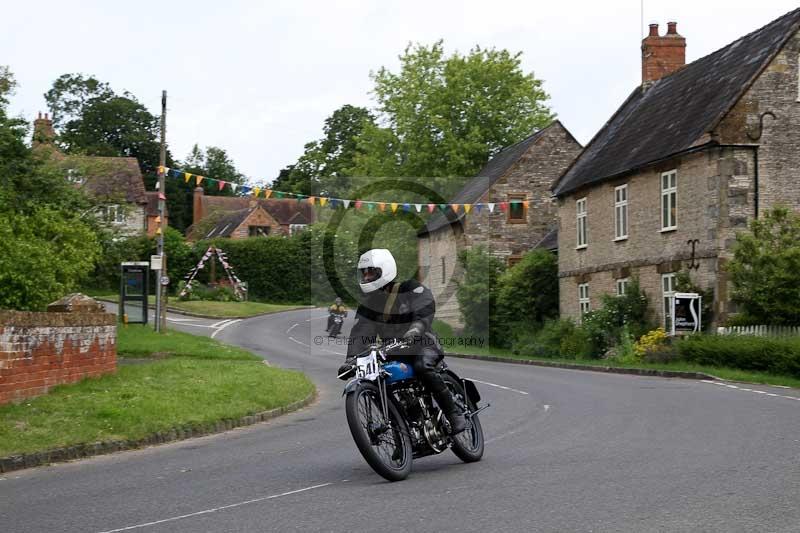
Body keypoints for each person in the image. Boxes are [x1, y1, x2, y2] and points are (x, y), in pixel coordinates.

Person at [338, 249, 467, 434]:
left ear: (385, 269)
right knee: (377, 380)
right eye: (364, 272)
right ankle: (402, 433)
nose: (366, 276)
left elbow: (425, 307)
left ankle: (454, 414)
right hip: (393, 350)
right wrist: (351, 360)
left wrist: (415, 329)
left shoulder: (409, 288)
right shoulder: (369, 305)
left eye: (371, 271)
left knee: (423, 367)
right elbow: (360, 332)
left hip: (423, 343)